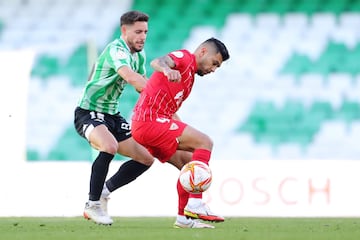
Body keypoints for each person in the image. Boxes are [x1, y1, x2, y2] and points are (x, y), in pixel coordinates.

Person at [131, 37, 230, 228]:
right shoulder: (184, 58)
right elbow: (158, 62)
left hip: (149, 124)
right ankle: (196, 203)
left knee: (188, 164)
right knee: (205, 142)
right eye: (214, 63)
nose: (214, 69)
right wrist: (167, 69)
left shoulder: (190, 75)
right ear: (202, 52)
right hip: (149, 121)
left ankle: (183, 219)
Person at [74, 10, 155, 225]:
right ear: (124, 31)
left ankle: (104, 191)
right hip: (88, 112)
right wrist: (159, 91)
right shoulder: (116, 50)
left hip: (112, 115)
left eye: (145, 32)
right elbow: (131, 77)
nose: (143, 37)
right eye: (138, 32)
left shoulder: (139, 55)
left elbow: (142, 84)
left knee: (146, 158)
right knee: (109, 146)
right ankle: (92, 205)